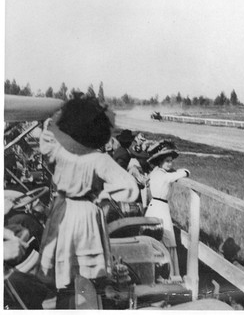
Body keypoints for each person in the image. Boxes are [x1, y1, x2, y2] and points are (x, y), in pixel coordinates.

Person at [36, 97, 138, 309]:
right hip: (85, 213)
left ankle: (68, 302)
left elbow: (45, 140)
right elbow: (130, 188)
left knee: (65, 269)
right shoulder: (98, 159)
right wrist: (104, 194)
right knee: (85, 270)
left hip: (63, 209)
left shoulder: (60, 152)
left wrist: (59, 116)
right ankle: (86, 302)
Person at [145, 140, 189, 276]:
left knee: (156, 238)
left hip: (154, 207)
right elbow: (177, 175)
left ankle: (156, 271)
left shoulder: (156, 172)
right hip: (160, 208)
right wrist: (186, 171)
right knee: (167, 237)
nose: (170, 164)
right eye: (167, 161)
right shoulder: (163, 175)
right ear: (160, 161)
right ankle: (169, 274)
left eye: (171, 161)